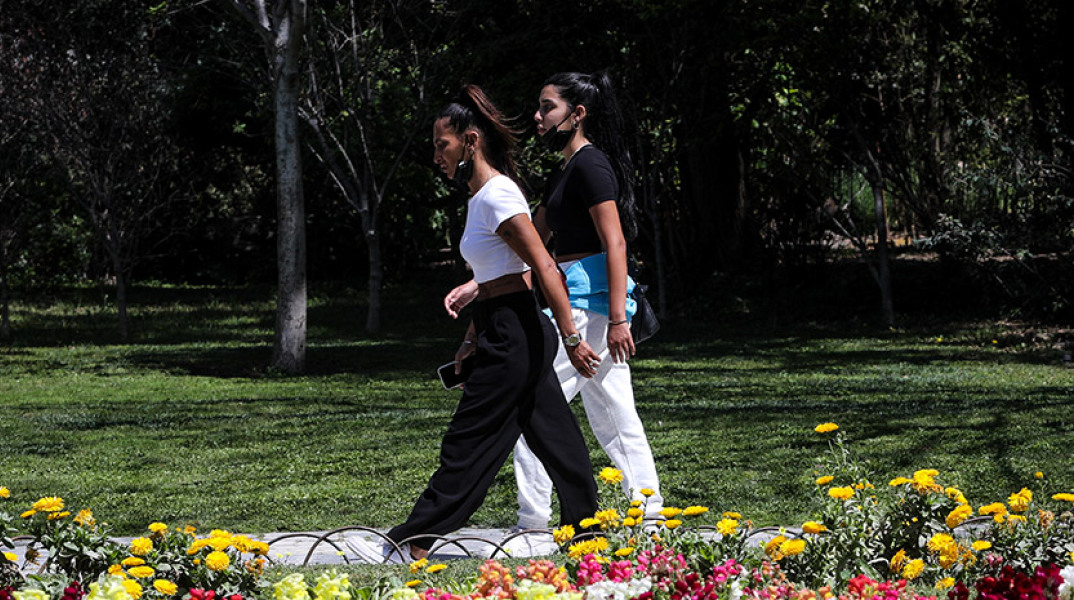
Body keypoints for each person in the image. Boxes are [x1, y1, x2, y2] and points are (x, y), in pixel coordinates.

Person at [347, 84, 601, 564]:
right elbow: (496, 278)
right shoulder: (482, 196)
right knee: (558, 440)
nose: (436, 157)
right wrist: (471, 337)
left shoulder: (498, 196)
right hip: (504, 328)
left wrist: (571, 337)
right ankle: (589, 536)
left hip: (515, 332)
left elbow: (543, 266)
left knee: (468, 439)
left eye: (441, 145)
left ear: (470, 141)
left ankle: (410, 541)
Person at [444, 71, 663, 555]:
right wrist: (478, 284)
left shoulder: (591, 166)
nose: (539, 117)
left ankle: (534, 525)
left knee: (535, 407)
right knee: (616, 415)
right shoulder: (565, 171)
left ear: (577, 114)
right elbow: (531, 244)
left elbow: (615, 242)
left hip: (587, 308)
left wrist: (619, 318)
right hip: (584, 304)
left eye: (548, 107)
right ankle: (649, 517)